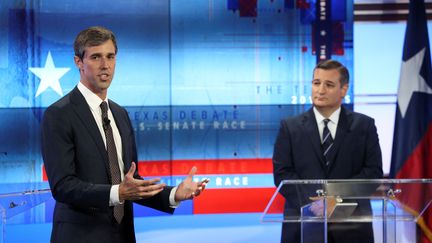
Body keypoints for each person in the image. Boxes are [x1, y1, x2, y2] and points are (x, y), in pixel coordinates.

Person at [41, 26, 207, 243]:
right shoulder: (59, 114)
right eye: (96, 57)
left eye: (110, 56)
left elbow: (132, 182)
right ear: (78, 62)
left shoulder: (120, 114)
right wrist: (117, 193)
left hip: (123, 235)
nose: (105, 65)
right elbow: (63, 186)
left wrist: (174, 193)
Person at [272, 59, 383, 243]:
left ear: (344, 90)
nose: (320, 90)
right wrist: (317, 204)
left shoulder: (364, 126)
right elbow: (283, 174)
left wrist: (335, 200)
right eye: (316, 83)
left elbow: (373, 173)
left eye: (329, 85)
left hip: (352, 227)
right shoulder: (290, 127)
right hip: (303, 226)